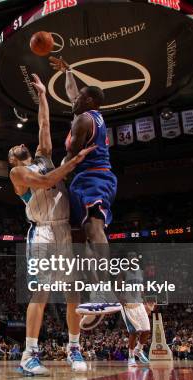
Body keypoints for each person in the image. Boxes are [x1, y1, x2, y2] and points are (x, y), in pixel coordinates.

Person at [8, 73, 96, 375]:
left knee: (74, 292)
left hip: (63, 230)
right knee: (41, 291)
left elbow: (43, 125)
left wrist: (43, 95)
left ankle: (74, 348)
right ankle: (29, 355)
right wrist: (73, 162)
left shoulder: (44, 155)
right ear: (12, 160)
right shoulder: (18, 175)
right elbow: (46, 181)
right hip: (42, 232)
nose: (18, 144)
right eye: (12, 149)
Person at [49, 56, 122, 318]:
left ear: (90, 101)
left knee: (94, 227)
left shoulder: (83, 121)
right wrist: (68, 70)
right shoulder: (89, 114)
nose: (74, 99)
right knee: (80, 237)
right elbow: (72, 93)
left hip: (95, 177)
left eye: (80, 97)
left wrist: (53, 176)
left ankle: (105, 289)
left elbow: (71, 159)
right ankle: (94, 294)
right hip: (84, 179)